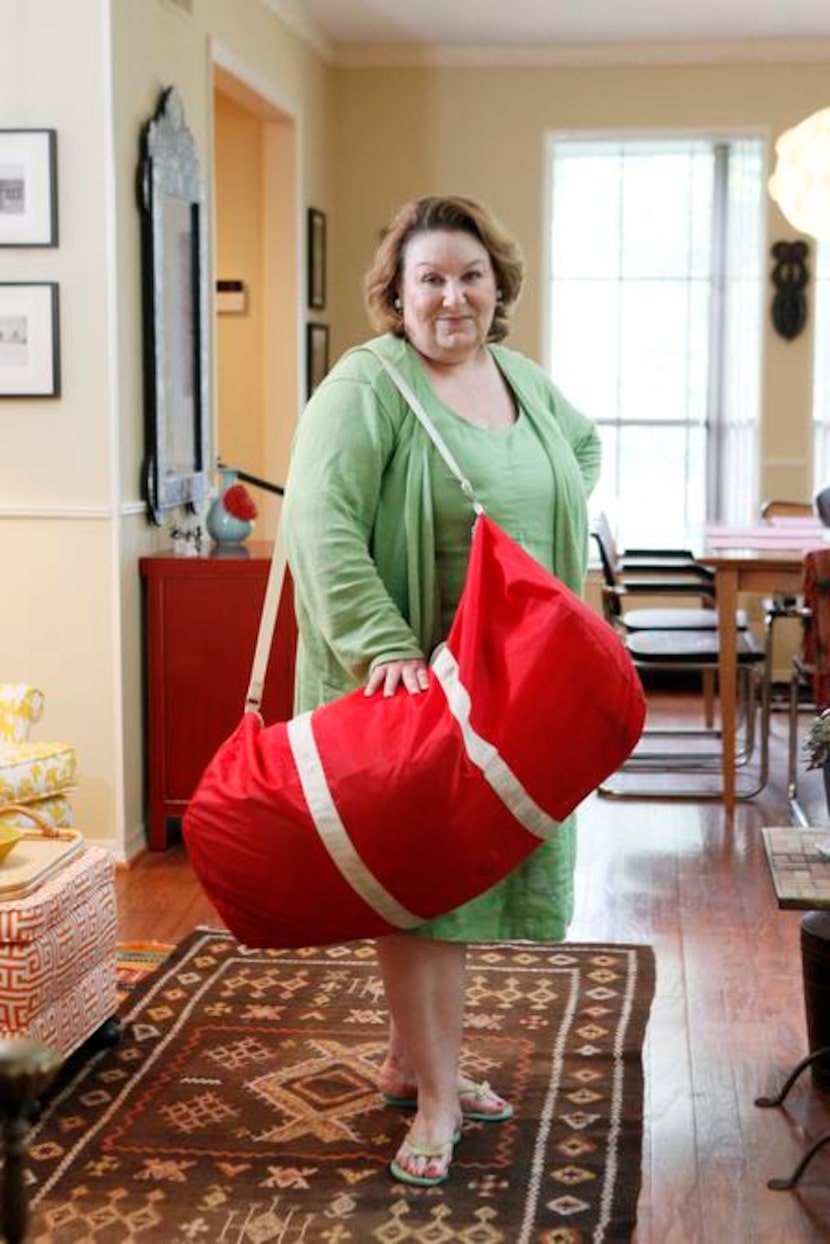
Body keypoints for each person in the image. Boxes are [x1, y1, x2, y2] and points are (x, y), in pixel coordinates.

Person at [281, 195, 601, 1187]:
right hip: (414, 680)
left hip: (506, 683)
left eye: (469, 274)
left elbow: (580, 450)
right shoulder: (365, 385)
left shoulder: (521, 379)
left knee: (468, 877)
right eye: (429, 277)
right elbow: (320, 519)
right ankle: (435, 1091)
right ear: (396, 292)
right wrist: (382, 641)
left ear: (496, 286)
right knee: (421, 892)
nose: (450, 295)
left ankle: (406, 1057)